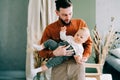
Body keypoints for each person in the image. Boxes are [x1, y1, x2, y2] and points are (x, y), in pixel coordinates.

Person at [37, 0, 92, 80]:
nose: (68, 17)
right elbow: (41, 52)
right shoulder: (50, 29)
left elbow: (88, 43)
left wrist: (84, 57)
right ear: (57, 13)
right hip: (58, 65)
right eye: (64, 15)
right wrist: (53, 53)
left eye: (70, 13)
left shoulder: (81, 23)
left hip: (77, 66)